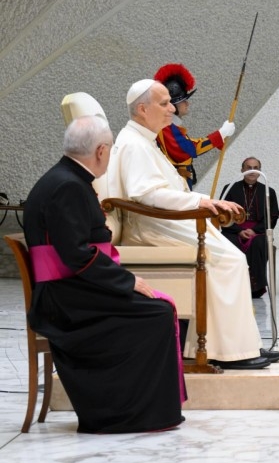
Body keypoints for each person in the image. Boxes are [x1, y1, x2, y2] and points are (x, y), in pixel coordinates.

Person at [24, 111, 185, 433]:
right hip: (65, 299)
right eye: (110, 149)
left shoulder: (66, 179)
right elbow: (77, 255)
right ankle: (126, 413)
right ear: (101, 150)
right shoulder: (68, 186)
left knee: (158, 309)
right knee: (155, 314)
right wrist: (127, 282)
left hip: (71, 289)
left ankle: (140, 408)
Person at [106, 79, 273, 370]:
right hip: (152, 228)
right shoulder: (134, 144)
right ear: (143, 109)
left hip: (163, 222)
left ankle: (241, 343)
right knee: (230, 259)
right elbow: (148, 194)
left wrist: (201, 202)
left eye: (171, 102)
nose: (172, 108)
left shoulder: (145, 139)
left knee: (230, 256)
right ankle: (227, 351)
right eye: (164, 103)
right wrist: (202, 203)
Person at [153, 63, 235, 190]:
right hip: (174, 188)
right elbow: (188, 148)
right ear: (173, 105)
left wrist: (219, 136)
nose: (187, 103)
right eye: (183, 100)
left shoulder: (169, 127)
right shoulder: (165, 128)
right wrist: (220, 134)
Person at [220, 157, 279, 298]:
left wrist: (255, 230)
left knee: (259, 243)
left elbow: (273, 216)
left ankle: (255, 288)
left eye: (256, 167)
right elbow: (223, 213)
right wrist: (239, 231)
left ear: (260, 171)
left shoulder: (268, 191)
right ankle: (231, 286)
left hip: (258, 231)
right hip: (234, 230)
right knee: (228, 242)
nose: (252, 170)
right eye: (248, 167)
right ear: (242, 170)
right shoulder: (230, 188)